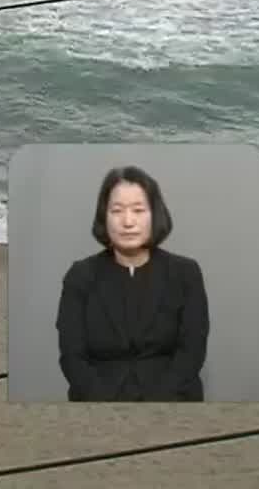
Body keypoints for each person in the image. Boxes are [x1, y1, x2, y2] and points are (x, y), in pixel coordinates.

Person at [54, 165, 209, 401]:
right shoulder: (81, 276)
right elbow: (72, 357)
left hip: (172, 398)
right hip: (97, 400)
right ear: (103, 216)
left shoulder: (185, 273)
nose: (128, 221)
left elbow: (192, 352)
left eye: (138, 210)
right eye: (117, 211)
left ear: (154, 214)